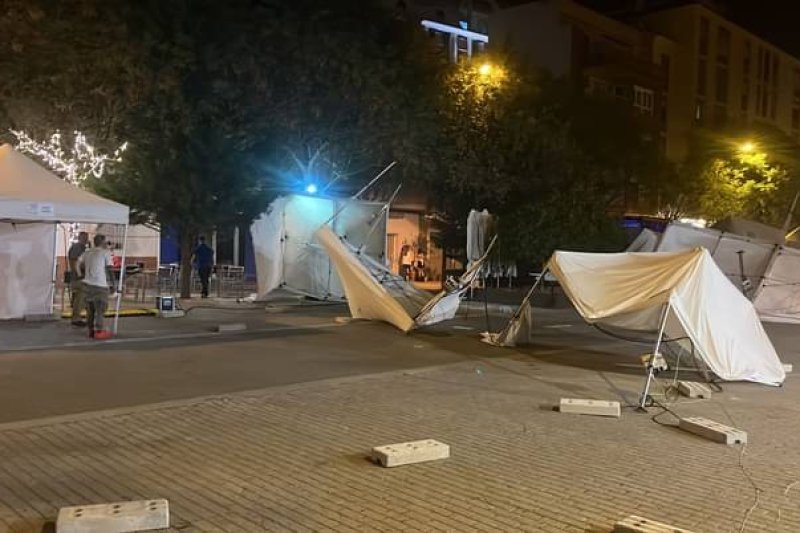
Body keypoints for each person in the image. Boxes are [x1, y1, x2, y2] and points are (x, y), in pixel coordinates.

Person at [78, 234, 115, 339]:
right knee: (100, 309)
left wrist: (81, 274)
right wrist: (113, 284)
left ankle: (91, 330)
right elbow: (109, 269)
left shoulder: (87, 252)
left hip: (87, 284)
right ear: (103, 242)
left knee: (90, 310)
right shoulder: (105, 252)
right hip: (100, 285)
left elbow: (78, 263)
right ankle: (99, 331)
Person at [67, 232, 89, 327]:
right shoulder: (77, 248)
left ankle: (81, 317)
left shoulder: (84, 248)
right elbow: (73, 262)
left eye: (87, 238)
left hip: (83, 276)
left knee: (82, 298)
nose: (86, 240)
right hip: (78, 277)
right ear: (80, 238)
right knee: (80, 298)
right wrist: (78, 274)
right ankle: (76, 318)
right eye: (84, 238)